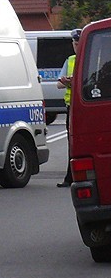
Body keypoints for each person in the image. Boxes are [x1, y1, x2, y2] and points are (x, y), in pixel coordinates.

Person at [57, 28, 81, 188]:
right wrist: (66, 81)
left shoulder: (92, 57)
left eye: (78, 43)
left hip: (85, 108)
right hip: (71, 108)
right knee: (71, 142)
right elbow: (59, 84)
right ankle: (69, 177)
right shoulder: (70, 60)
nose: (76, 46)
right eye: (74, 43)